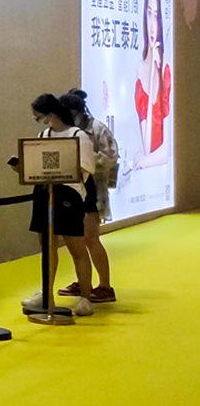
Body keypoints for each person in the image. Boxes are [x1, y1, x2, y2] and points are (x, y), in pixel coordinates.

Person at [14, 94, 95, 316]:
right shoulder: (44, 135)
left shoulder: (78, 135)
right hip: (44, 192)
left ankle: (86, 297)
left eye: (39, 116)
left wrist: (61, 172)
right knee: (47, 247)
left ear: (51, 114)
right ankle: (46, 293)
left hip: (69, 193)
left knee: (76, 246)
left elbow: (86, 168)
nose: (39, 121)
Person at [56, 89, 118, 303]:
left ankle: (105, 286)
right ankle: (83, 282)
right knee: (77, 241)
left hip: (94, 190)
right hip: (72, 191)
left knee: (91, 238)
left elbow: (110, 158)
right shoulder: (65, 130)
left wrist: (86, 157)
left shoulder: (97, 129)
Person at [133, 0, 171, 171]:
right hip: (149, 173)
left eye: (156, 16)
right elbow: (147, 146)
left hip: (162, 173)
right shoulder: (141, 70)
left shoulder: (166, 71)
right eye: (149, 13)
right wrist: (150, 77)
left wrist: (157, 73)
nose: (152, 24)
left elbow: (166, 151)